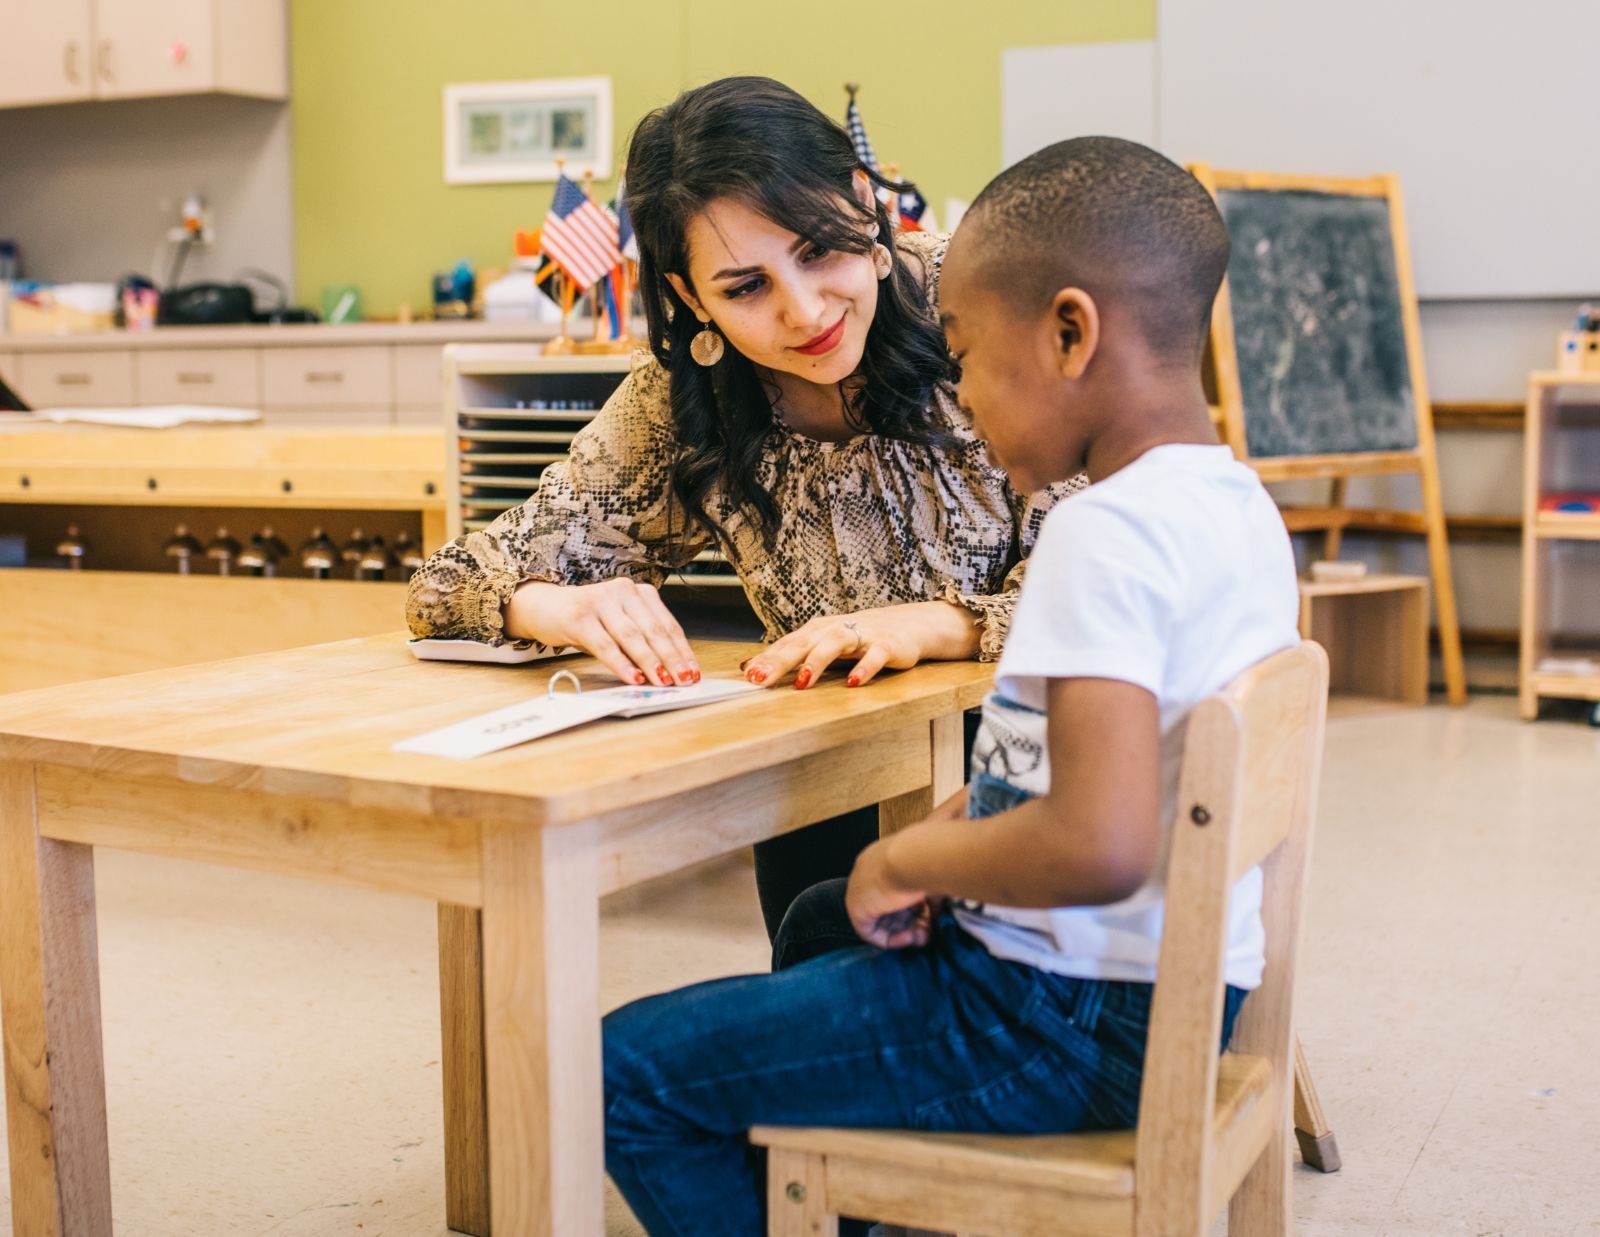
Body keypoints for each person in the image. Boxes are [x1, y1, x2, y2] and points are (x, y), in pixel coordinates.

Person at [601, 135, 1301, 1236]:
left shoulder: (1098, 534)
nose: (961, 399)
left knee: (625, 1072)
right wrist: (964, 823)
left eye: (967, 355)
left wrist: (901, 855)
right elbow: (1115, 770)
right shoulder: (1230, 506)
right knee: (827, 920)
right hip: (1175, 990)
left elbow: (1098, 841)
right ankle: (865, 1197)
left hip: (1052, 1014)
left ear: (1069, 332)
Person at [406, 76, 1081, 942]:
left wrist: (939, 624)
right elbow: (444, 584)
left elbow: (1135, 566)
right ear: (692, 300)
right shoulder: (686, 402)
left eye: (817, 250)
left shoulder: (988, 299)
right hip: (833, 796)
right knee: (814, 951)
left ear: (865, 207)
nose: (805, 312)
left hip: (1060, 771)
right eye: (745, 288)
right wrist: (559, 603)